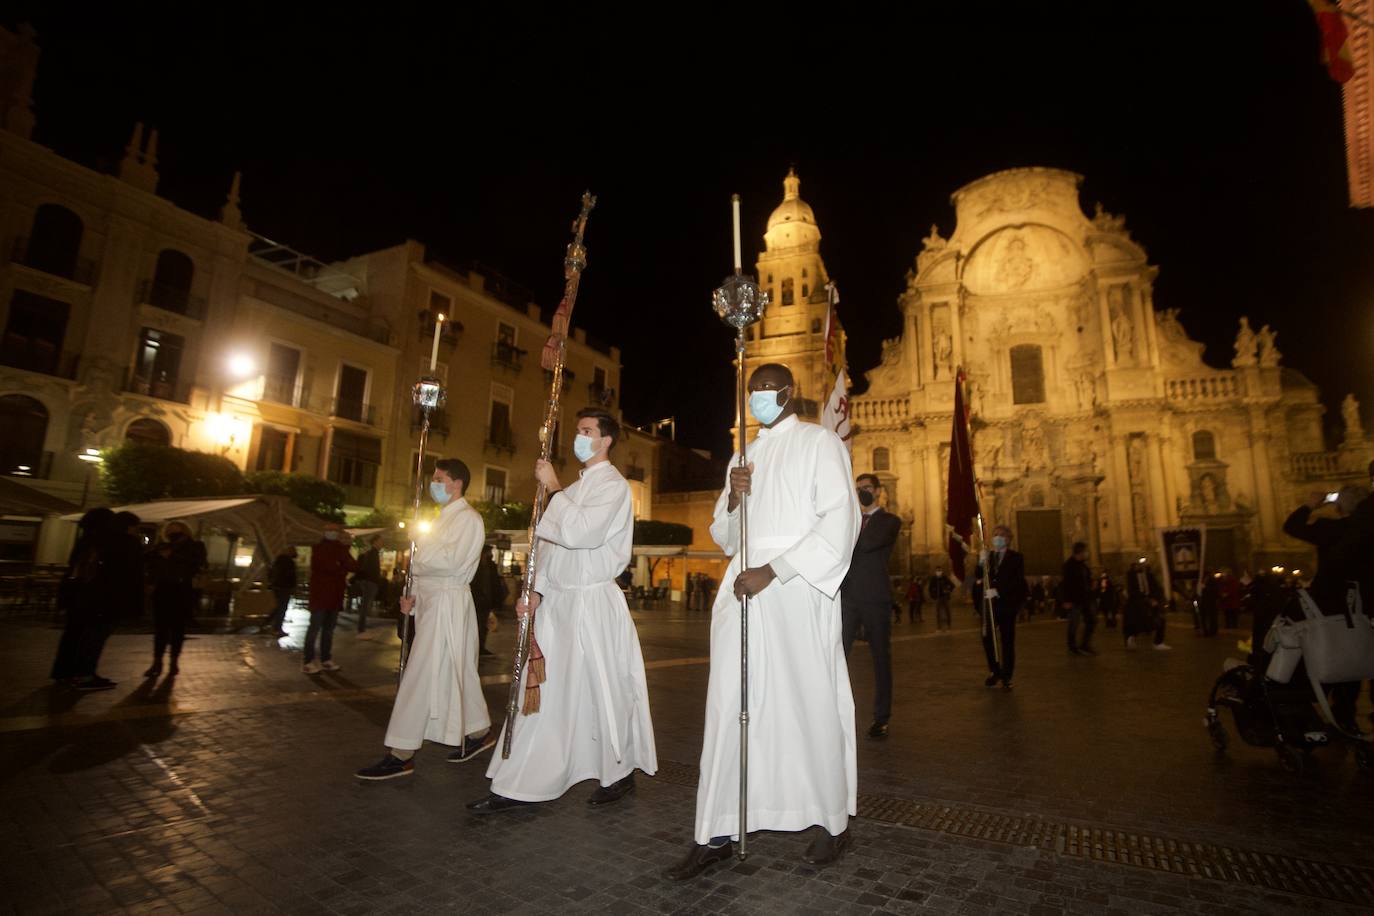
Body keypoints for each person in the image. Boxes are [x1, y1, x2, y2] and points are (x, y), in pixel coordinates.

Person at [665, 363, 859, 879]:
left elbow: (841, 519)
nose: (758, 399)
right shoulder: (742, 455)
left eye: (767, 390)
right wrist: (734, 496)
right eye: (752, 392)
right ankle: (718, 829)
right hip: (742, 589)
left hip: (795, 588)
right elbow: (726, 536)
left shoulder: (820, 444)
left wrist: (774, 570)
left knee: (806, 699)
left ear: (791, 393)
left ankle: (831, 821)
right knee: (731, 704)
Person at [471, 408, 657, 812]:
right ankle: (520, 781)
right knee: (544, 691)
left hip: (594, 603)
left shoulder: (614, 487)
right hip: (559, 604)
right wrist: (535, 591)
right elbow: (549, 549)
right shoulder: (572, 490)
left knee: (604, 688)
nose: (579, 437)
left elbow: (581, 533)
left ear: (606, 440)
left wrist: (554, 487)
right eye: (578, 430)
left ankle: (619, 771)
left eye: (587, 431)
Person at [356, 459, 493, 780]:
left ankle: (401, 752)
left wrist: (418, 560)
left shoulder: (469, 520)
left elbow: (450, 562)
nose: (434, 484)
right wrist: (413, 598)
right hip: (433, 605)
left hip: (449, 604)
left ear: (457, 483)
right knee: (457, 672)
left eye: (439, 478)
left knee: (419, 673)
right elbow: (427, 567)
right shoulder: (441, 519)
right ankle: (479, 732)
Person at [840, 473, 901, 740]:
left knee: (880, 658)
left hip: (875, 597)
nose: (862, 492)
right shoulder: (850, 519)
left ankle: (881, 718)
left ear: (877, 491)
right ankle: (832, 710)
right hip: (847, 597)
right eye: (859, 488)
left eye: (866, 488)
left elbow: (865, 544)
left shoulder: (890, 521)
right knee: (837, 653)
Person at [51, 508, 116, 689]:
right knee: (85, 634)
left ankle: (63, 673)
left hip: (75, 593)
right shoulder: (100, 542)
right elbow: (93, 570)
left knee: (72, 633)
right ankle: (82, 674)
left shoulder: (83, 540)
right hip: (89, 595)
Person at [143, 521, 207, 677]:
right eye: (169, 529)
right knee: (160, 628)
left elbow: (198, 563)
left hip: (181, 589)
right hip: (163, 588)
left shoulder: (195, 546)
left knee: (177, 627)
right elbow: (149, 562)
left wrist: (173, 555)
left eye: (176, 529)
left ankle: (173, 662)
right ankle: (157, 662)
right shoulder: (162, 546)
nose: (172, 531)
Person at [972, 525, 1027, 688]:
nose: (997, 537)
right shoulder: (988, 556)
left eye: (1001, 535)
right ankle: (994, 671)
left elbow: (1017, 581)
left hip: (1007, 604)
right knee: (987, 638)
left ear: (1008, 539)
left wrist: (997, 591)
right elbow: (978, 575)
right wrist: (981, 562)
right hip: (989, 606)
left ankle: (1007, 675)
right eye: (995, 535)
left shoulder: (1016, 558)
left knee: (1007, 641)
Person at [304, 520, 357, 674]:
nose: (332, 532)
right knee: (315, 628)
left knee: (328, 630)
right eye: (329, 530)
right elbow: (327, 567)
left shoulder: (341, 549)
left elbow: (353, 566)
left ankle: (326, 659)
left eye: (335, 530)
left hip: (334, 596)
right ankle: (308, 661)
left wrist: (340, 564)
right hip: (320, 595)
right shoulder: (319, 548)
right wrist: (340, 567)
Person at [1124, 558, 1170, 650]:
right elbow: (1132, 591)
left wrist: (1157, 599)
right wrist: (1145, 599)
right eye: (1138, 564)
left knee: (1160, 620)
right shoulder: (1131, 576)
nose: (1140, 566)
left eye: (1142, 564)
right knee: (1135, 623)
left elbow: (1156, 587)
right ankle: (1131, 638)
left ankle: (1158, 642)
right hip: (1137, 603)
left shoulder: (1149, 575)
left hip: (1150, 602)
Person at [469, 544, 506, 657]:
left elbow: (493, 583)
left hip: (486, 600)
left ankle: (481, 646)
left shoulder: (490, 566)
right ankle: (476, 647)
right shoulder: (477, 566)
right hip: (478, 599)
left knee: (484, 625)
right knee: (477, 624)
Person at [1060, 541, 1095, 655]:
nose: (1087, 553)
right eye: (1085, 551)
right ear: (1080, 552)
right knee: (1074, 624)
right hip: (1074, 599)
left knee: (1091, 621)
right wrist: (1066, 600)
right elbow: (1065, 584)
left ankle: (1084, 644)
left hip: (1085, 598)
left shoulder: (1083, 565)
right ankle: (1072, 646)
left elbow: (1087, 580)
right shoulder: (1069, 565)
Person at [352, 534, 384, 640]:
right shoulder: (372, 554)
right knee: (365, 606)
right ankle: (361, 629)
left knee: (366, 606)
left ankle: (362, 628)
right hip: (370, 582)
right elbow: (369, 569)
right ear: (375, 542)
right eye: (380, 541)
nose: (381, 543)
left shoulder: (373, 553)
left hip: (371, 582)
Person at [265, 546, 297, 636]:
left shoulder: (278, 561)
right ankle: (276, 627)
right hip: (285, 587)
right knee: (282, 608)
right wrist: (293, 586)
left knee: (279, 606)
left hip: (278, 587)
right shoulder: (288, 562)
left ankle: (268, 621)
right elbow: (290, 576)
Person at [1198, 572, 1221, 637]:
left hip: (1210, 601)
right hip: (1204, 601)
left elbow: (1215, 590)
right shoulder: (1202, 579)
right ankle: (1205, 630)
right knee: (1204, 616)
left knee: (1211, 616)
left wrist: (1205, 587)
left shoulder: (1212, 580)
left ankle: (1211, 631)